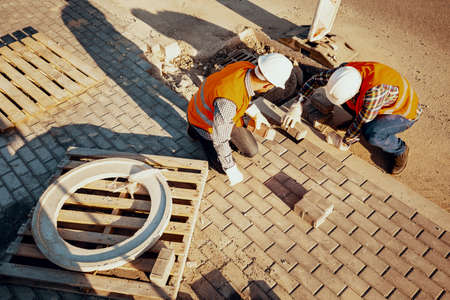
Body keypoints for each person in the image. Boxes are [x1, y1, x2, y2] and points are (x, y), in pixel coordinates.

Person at [282, 62, 422, 175]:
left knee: (372, 133)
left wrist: (344, 142)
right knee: (349, 106)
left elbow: (363, 120)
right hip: (375, 103)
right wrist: (298, 103)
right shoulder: (344, 73)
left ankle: (399, 149)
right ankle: (356, 122)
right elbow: (315, 80)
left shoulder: (374, 93)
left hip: (403, 113)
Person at [187, 53, 293, 185]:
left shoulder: (245, 67)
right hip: (204, 124)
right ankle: (194, 131)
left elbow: (242, 95)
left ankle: (205, 133)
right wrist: (230, 168)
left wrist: (256, 114)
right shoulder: (228, 102)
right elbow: (219, 139)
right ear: (267, 85)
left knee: (251, 151)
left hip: (221, 116)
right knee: (223, 168)